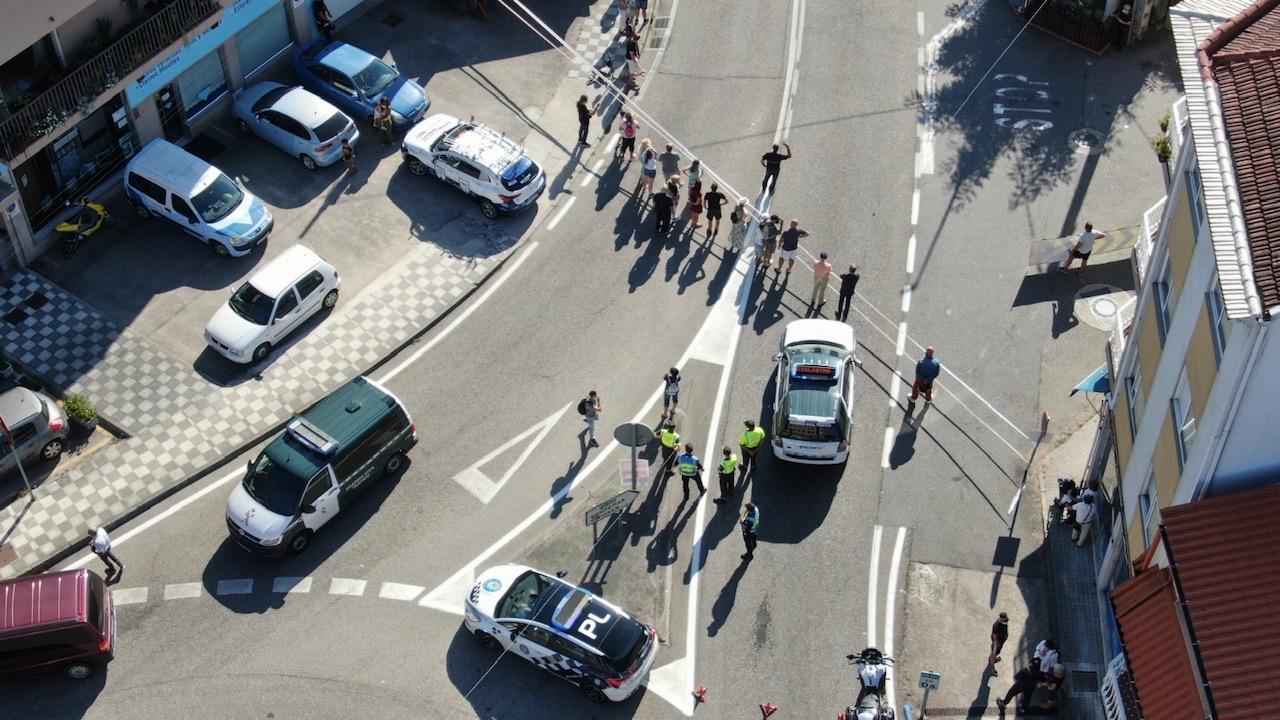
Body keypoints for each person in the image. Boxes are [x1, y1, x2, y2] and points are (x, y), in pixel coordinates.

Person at [997, 663, 1063, 714]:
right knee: (1027, 698)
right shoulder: (1039, 674)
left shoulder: (1026, 672)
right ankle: (1022, 709)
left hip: (1020, 685)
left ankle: (1003, 703)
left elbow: (1016, 677)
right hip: (1030, 688)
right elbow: (1043, 679)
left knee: (1011, 693)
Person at [988, 612, 1010, 676]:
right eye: (1005, 618)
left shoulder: (1004, 621)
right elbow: (994, 636)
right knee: (993, 654)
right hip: (997, 643)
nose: (1006, 619)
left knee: (996, 652)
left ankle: (995, 659)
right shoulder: (997, 626)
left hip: (1000, 641)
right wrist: (996, 644)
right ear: (1001, 618)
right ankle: (992, 669)